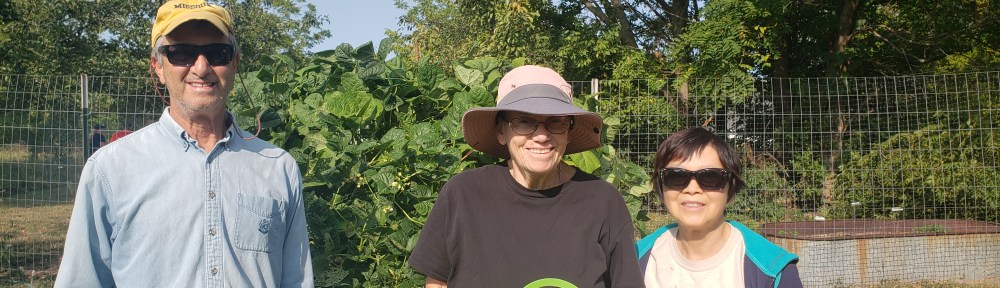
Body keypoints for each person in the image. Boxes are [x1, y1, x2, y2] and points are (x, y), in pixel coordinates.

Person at [55, 0, 313, 286]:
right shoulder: (110, 169)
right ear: (158, 67)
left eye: (217, 53)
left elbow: (296, 279)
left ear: (235, 63)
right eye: (181, 53)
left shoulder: (277, 168)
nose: (201, 68)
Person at [408, 65, 644, 287]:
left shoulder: (602, 201)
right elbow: (437, 283)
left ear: (569, 131)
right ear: (501, 131)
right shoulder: (463, 194)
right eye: (524, 121)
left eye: (556, 121)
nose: (541, 135)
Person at [635, 127, 802, 287]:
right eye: (676, 177)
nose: (692, 189)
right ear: (661, 188)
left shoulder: (772, 270)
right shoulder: (636, 260)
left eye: (710, 177)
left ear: (731, 190)